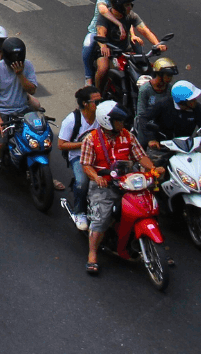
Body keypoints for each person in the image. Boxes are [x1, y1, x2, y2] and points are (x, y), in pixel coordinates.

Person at [80, 101, 162, 275]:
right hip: (105, 185)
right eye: (118, 121)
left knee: (148, 207)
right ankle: (92, 254)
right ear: (107, 121)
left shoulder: (128, 136)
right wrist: (97, 178)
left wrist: (152, 170)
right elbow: (86, 165)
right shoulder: (91, 139)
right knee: (101, 218)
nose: (122, 124)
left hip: (129, 182)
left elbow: (141, 157)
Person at [0, 36, 48, 199]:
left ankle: (46, 173)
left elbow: (32, 90)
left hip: (22, 110)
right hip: (2, 112)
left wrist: (20, 75)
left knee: (41, 136)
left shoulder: (27, 66)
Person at [91, 0, 166, 91]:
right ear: (119, 6)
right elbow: (101, 33)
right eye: (127, 5)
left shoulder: (131, 16)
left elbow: (145, 30)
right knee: (103, 69)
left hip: (126, 51)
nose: (130, 7)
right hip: (107, 51)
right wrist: (104, 46)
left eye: (130, 4)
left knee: (148, 68)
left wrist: (157, 44)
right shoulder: (105, 17)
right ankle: (97, 95)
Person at [138, 79, 201, 164]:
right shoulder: (163, 104)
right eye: (192, 100)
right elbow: (143, 118)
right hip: (163, 147)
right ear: (182, 102)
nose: (195, 101)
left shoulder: (197, 108)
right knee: (156, 171)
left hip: (185, 147)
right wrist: (151, 139)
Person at [59, 86, 102, 231]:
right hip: (79, 157)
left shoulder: (101, 116)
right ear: (85, 103)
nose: (99, 104)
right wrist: (83, 144)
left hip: (100, 154)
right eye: (95, 102)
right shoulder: (71, 121)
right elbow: (61, 145)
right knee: (82, 182)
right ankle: (79, 212)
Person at [82, 0, 124, 87]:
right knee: (87, 46)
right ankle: (88, 78)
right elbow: (103, 11)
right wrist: (118, 24)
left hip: (116, 32)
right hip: (96, 31)